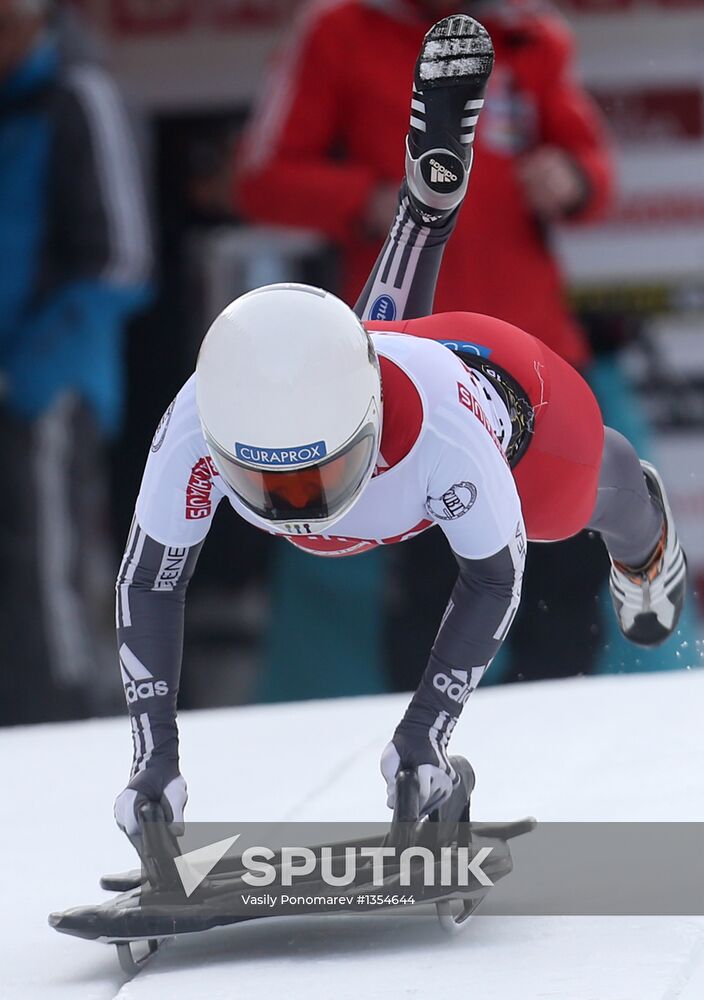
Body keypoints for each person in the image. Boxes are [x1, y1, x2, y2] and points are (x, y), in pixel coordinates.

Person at [114, 16, 685, 840]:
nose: (300, 507)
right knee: (375, 344)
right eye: (271, 484)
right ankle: (424, 214)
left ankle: (644, 536)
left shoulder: (446, 430)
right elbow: (148, 584)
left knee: (564, 512)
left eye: (313, 479)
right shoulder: (197, 423)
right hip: (364, 358)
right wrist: (152, 761)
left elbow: (493, 579)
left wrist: (424, 737)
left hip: (504, 381)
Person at [234, 0, 616, 688]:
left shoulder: (532, 35)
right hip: (413, 358)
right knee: (437, 586)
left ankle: (557, 753)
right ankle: (430, 761)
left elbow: (594, 166)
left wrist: (572, 179)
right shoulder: (338, 31)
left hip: (534, 352)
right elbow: (263, 177)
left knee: (564, 577)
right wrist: (368, 200)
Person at [0, 0, 151, 724]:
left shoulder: (77, 95)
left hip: (50, 378)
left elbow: (120, 258)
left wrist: (30, 366)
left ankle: (65, 712)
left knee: (46, 559)